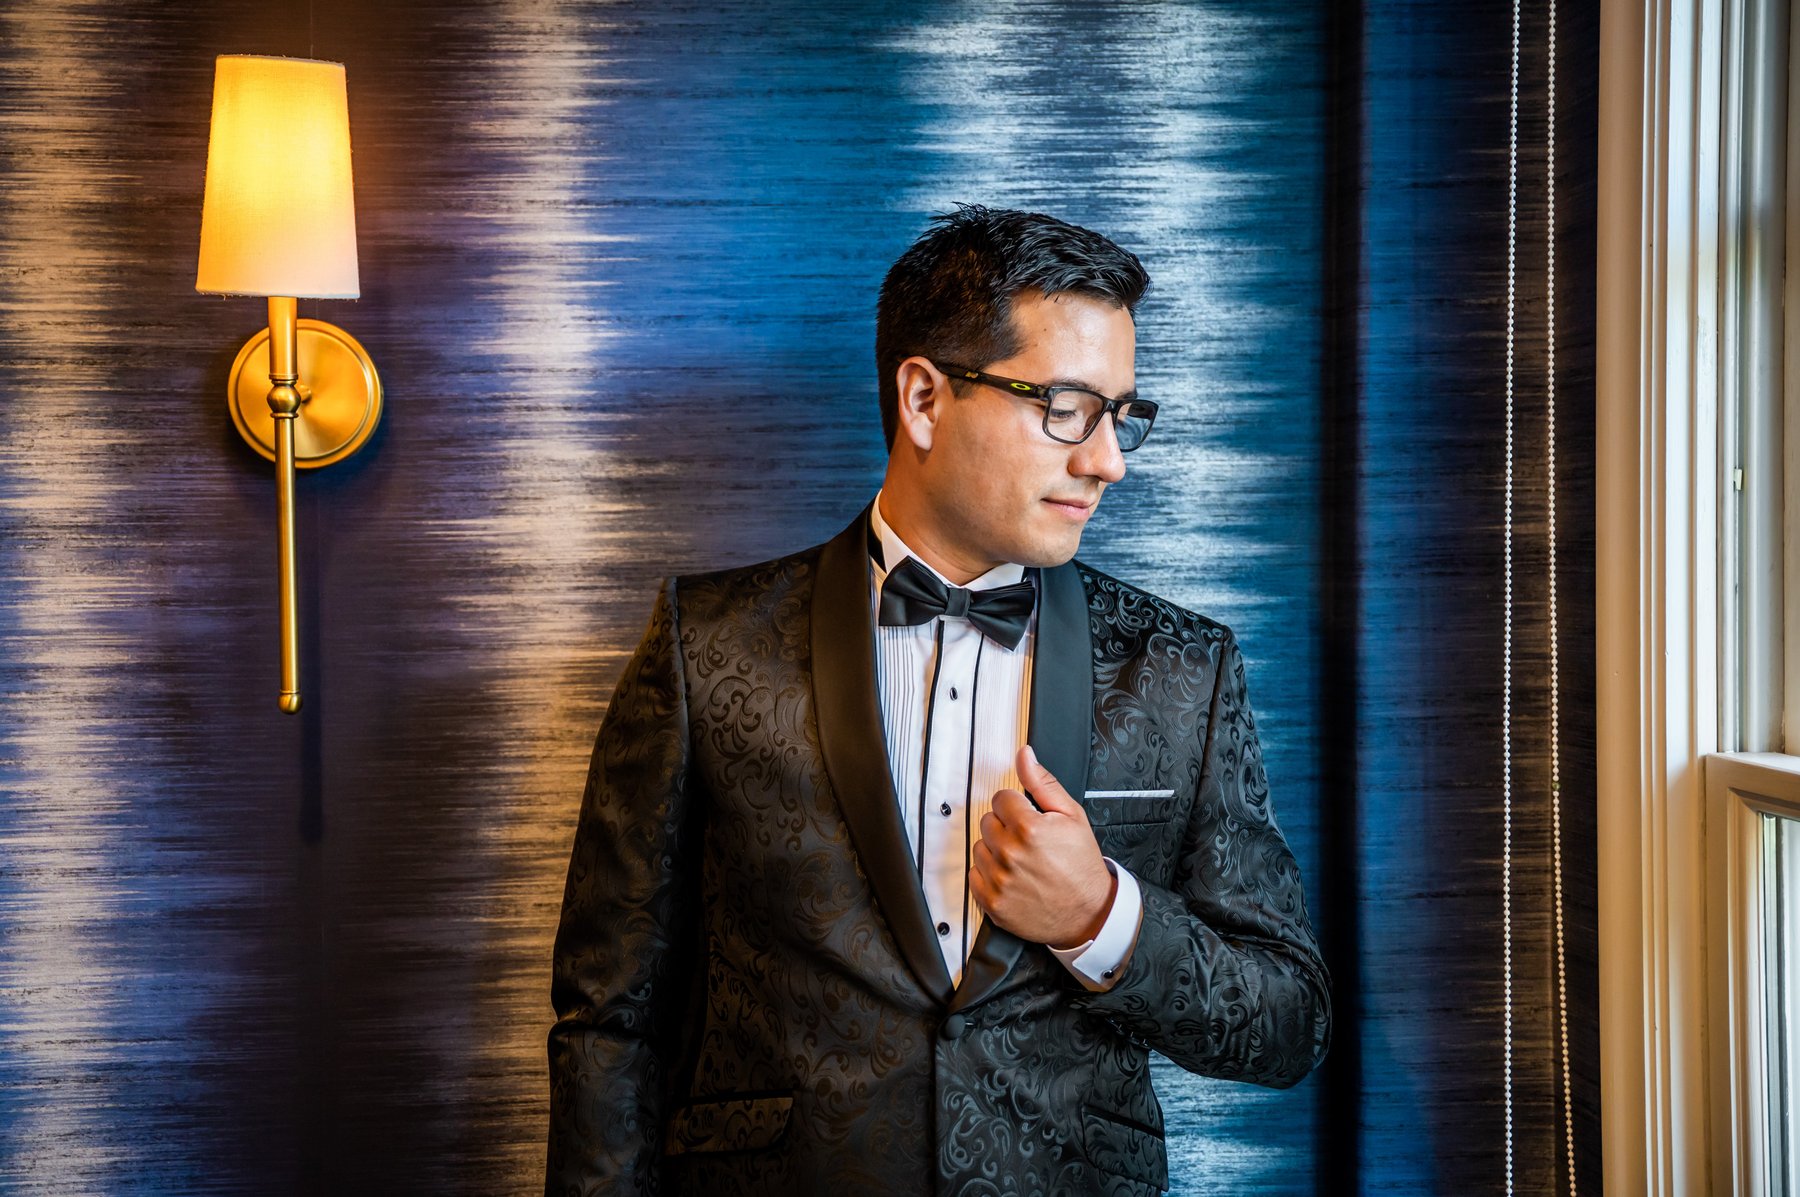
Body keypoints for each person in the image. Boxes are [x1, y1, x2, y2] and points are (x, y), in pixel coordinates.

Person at [544, 203, 1332, 1197]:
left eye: (1121, 415)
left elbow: (1289, 1022)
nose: (1107, 460)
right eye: (1067, 408)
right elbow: (610, 1021)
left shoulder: (1184, 668)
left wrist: (1101, 916)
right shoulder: (707, 644)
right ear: (923, 399)